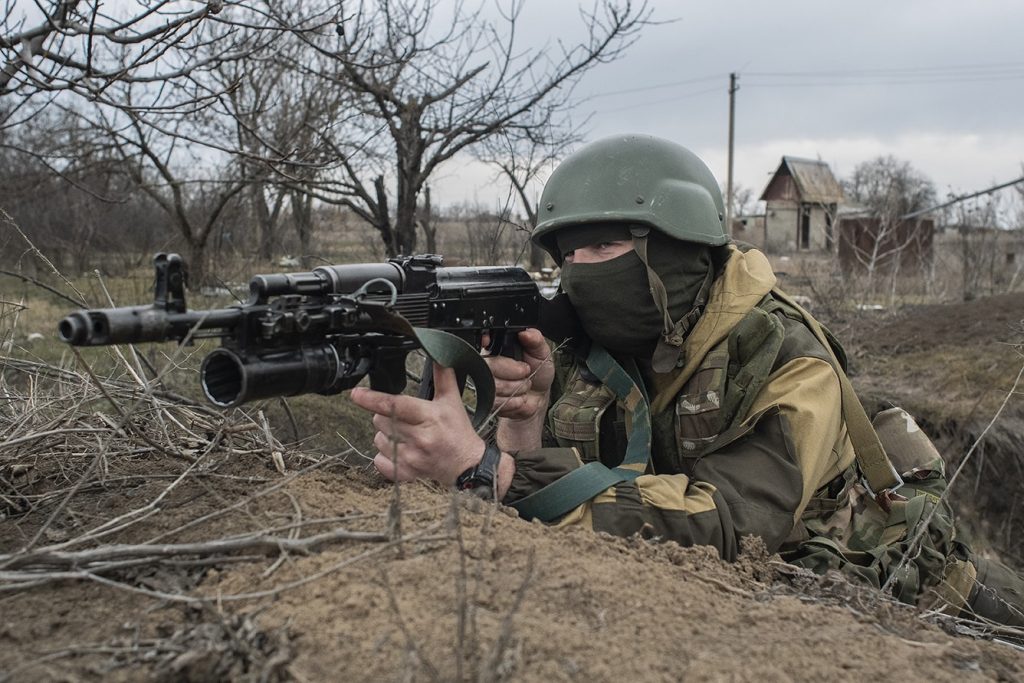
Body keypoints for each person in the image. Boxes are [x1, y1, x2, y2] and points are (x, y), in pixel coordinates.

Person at [351, 134, 1024, 629]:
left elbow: (731, 524)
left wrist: (486, 471)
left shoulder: (790, 360)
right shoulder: (593, 347)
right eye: (569, 254)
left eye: (607, 247)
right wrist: (525, 427)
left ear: (678, 249)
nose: (583, 271)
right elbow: (585, 498)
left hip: (928, 594)